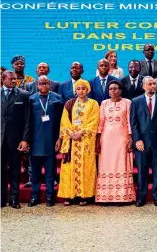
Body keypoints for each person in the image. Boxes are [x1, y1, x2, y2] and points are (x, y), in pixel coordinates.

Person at [57, 79, 99, 206]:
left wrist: (81, 132)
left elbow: (94, 120)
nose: (81, 91)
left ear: (88, 90)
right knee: (69, 168)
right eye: (78, 88)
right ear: (75, 90)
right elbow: (64, 121)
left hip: (85, 141)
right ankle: (69, 195)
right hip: (71, 142)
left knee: (86, 167)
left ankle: (84, 196)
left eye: (83, 88)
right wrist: (70, 133)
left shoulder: (93, 104)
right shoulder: (69, 104)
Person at [130, 77, 157, 207]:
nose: (152, 86)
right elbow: (134, 123)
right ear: (143, 86)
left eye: (154, 84)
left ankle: (156, 197)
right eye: (149, 84)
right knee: (142, 171)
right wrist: (137, 139)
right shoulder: (135, 102)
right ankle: (141, 197)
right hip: (142, 143)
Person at [95, 81, 135, 204]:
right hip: (106, 139)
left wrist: (130, 138)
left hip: (122, 139)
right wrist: (98, 139)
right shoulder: (104, 103)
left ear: (120, 90)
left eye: (115, 88)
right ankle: (105, 197)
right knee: (105, 166)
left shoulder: (127, 102)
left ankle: (122, 197)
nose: (113, 90)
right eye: (110, 89)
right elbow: (101, 122)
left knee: (121, 164)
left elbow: (130, 121)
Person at [27, 76, 63, 207]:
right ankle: (34, 196)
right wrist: (26, 140)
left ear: (50, 84)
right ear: (37, 85)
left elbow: (62, 121)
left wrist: (60, 138)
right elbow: (27, 122)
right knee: (35, 173)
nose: (43, 85)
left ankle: (49, 196)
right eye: (41, 83)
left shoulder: (57, 99)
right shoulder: (31, 99)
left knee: (50, 173)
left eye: (46, 83)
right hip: (35, 141)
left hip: (51, 141)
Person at [1, 70, 30, 209]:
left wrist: (24, 140)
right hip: (0, 140)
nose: (14, 81)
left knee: (15, 171)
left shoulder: (23, 95)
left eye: (14, 79)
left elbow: (27, 120)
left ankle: (14, 199)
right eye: (11, 79)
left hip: (15, 140)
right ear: (3, 79)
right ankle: (1, 199)